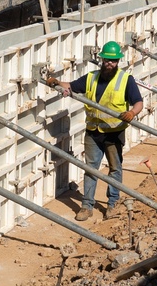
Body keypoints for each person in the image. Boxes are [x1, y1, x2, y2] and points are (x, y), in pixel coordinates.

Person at [50, 41, 144, 222]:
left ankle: (112, 203)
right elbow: (70, 86)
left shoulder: (126, 80)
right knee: (90, 169)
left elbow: (138, 102)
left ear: (118, 61)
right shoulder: (91, 77)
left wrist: (132, 112)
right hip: (93, 131)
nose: (110, 63)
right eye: (107, 60)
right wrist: (55, 82)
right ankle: (87, 206)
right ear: (101, 59)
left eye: (114, 60)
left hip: (114, 132)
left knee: (114, 169)